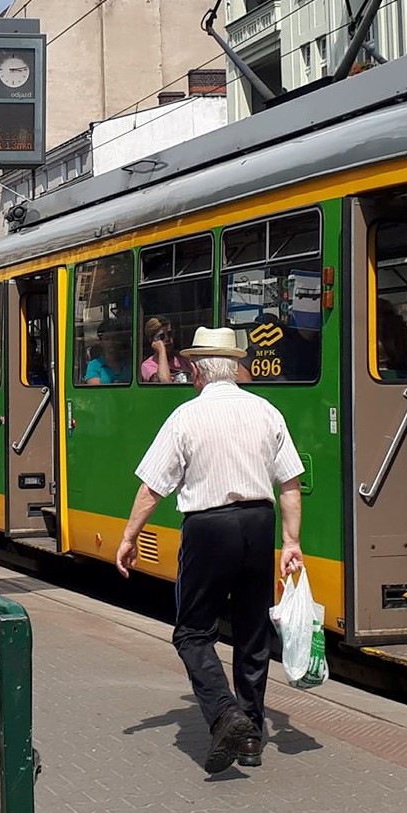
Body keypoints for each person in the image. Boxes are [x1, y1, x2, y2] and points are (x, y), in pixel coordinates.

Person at [114, 327, 304, 774]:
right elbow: (290, 484)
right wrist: (291, 542)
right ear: (235, 369)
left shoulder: (185, 417)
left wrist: (128, 537)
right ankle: (252, 736)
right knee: (252, 633)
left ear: (197, 371)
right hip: (259, 523)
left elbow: (152, 488)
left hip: (207, 527)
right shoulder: (266, 411)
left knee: (192, 632)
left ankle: (225, 713)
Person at [140, 316, 193, 384]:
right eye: (162, 337)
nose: (167, 339)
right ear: (152, 340)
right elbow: (165, 381)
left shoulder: (183, 358)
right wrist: (162, 350)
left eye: (170, 334)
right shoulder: (148, 365)